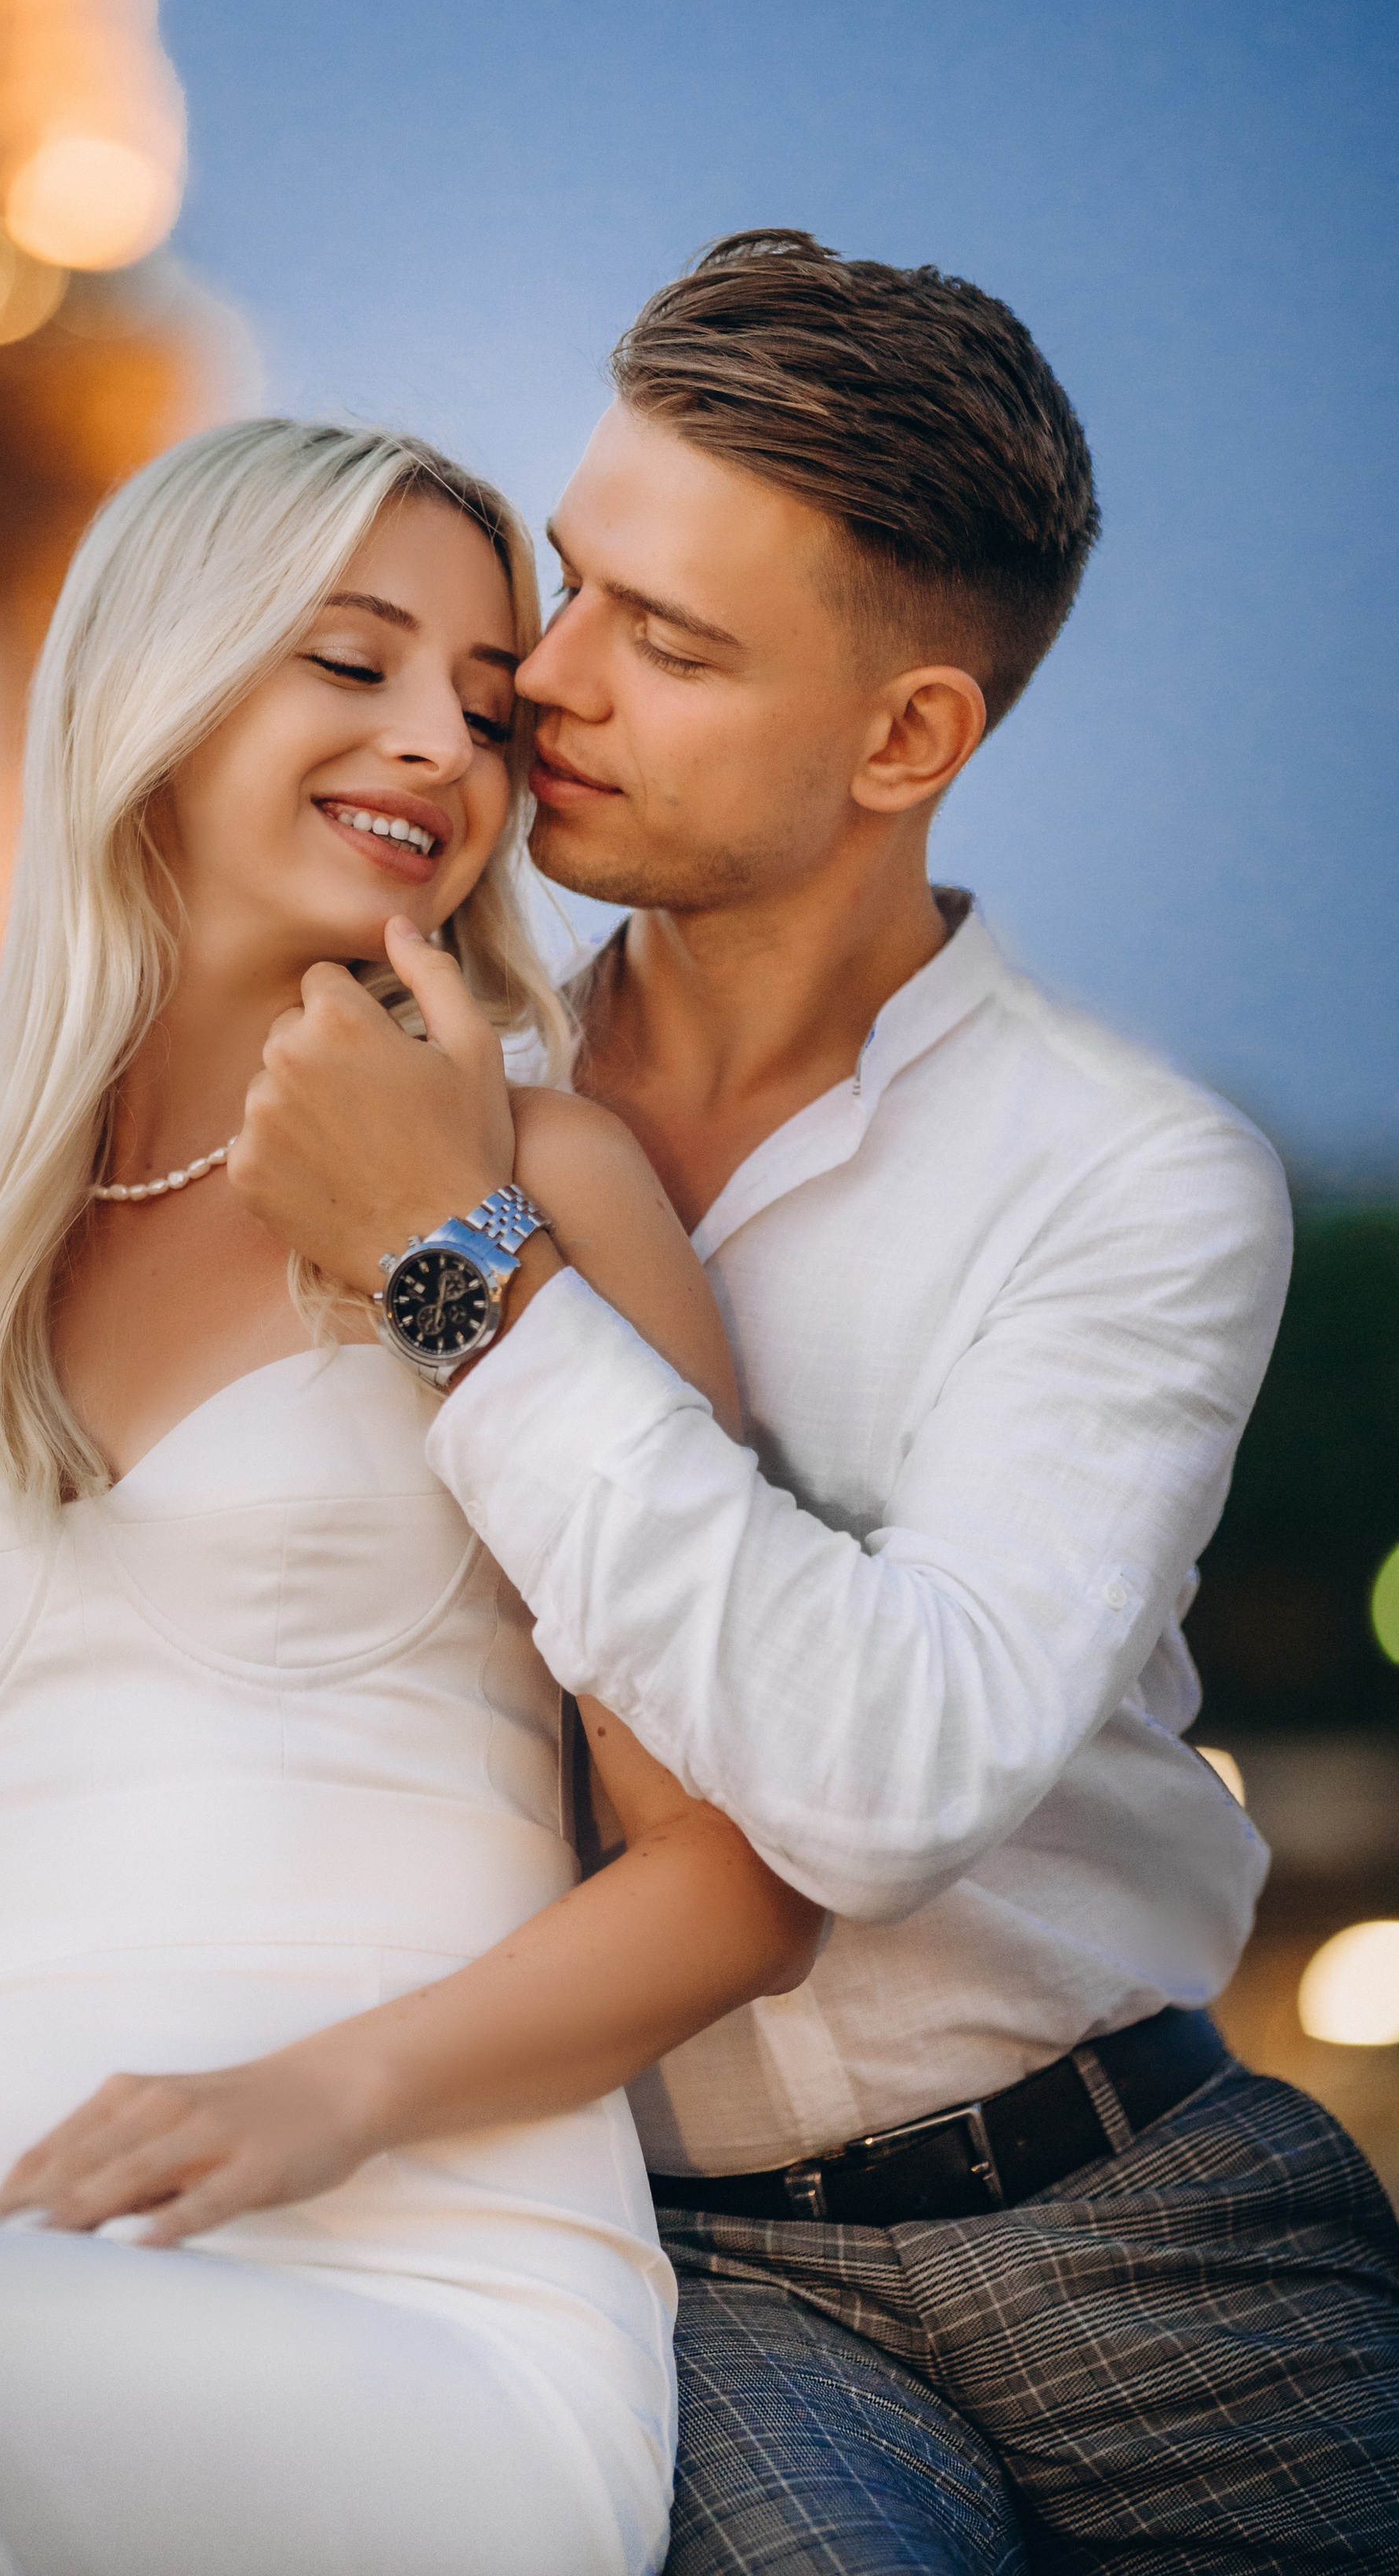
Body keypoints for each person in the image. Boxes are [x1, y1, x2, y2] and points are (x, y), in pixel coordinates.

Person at [0, 417, 823, 2576]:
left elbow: (746, 1871)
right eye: (349, 663)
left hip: (409, 2299)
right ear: (156, 686)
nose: (436, 750)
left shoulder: (533, 1190)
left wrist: (312, 2099)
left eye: (486, 706)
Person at [209, 233, 1399, 2571]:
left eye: (668, 643)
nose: (540, 683)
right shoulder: (384, 1082)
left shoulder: (1137, 1184)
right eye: (571, 585)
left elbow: (886, 1784)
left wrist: (469, 1275)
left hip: (1148, 2220)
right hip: (676, 2263)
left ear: (907, 741)